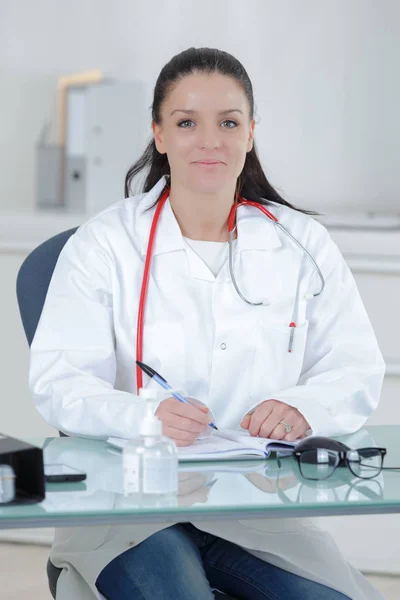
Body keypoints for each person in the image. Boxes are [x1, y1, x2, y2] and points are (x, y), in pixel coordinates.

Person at [29, 47, 386, 600]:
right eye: (186, 122)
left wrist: (301, 408)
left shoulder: (302, 245)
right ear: (159, 134)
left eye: (228, 122)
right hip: (130, 506)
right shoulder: (103, 245)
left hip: (258, 507)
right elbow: (59, 383)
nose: (210, 140)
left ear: (250, 133)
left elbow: (355, 366)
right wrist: (144, 418)